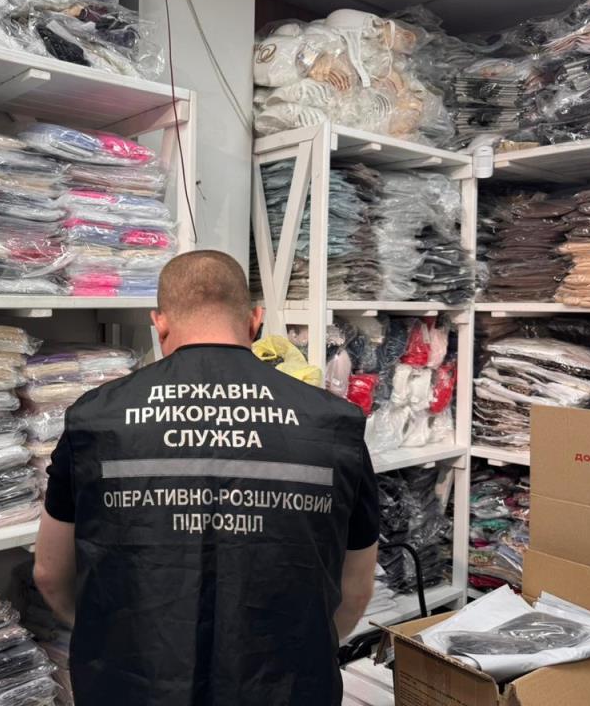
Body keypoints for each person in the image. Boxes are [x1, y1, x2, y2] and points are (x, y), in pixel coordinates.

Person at [34, 249, 380, 706]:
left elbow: (49, 574)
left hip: (134, 686)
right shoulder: (333, 424)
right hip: (284, 688)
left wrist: (113, 639)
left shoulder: (95, 419)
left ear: (159, 324)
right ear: (255, 321)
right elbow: (355, 589)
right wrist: (298, 653)